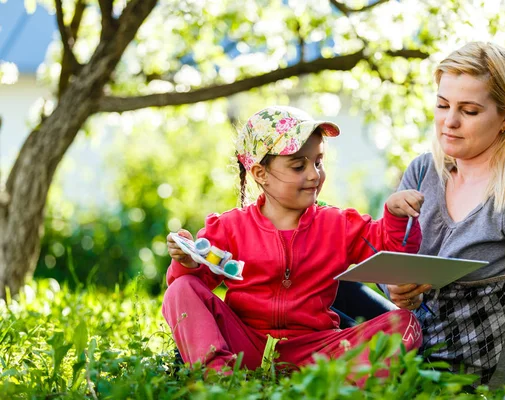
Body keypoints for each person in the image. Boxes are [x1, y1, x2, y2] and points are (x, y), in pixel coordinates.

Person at [335, 42, 505, 394]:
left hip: (467, 371)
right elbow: (393, 263)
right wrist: (395, 288)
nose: (450, 122)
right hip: (409, 341)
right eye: (442, 105)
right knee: (327, 282)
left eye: (470, 111)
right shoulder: (423, 171)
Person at [161, 105, 424, 377]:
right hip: (246, 345)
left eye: (318, 162)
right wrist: (188, 263)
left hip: (317, 351)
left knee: (403, 324)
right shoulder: (229, 227)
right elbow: (192, 288)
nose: (314, 174)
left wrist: (396, 217)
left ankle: (338, 385)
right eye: (299, 165)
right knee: (180, 288)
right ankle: (219, 378)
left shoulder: (338, 224)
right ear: (260, 173)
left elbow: (393, 251)